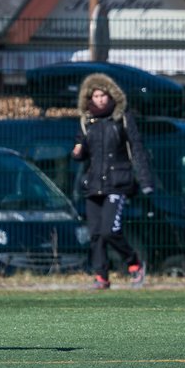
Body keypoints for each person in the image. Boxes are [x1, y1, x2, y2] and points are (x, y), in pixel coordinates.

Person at [71, 73, 155, 290]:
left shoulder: (122, 118)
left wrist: (145, 181)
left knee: (110, 230)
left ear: (111, 96)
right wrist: (77, 151)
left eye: (103, 95)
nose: (100, 99)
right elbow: (81, 149)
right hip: (94, 184)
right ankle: (102, 276)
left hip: (118, 182)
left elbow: (136, 148)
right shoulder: (86, 121)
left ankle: (134, 263)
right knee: (96, 234)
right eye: (96, 95)